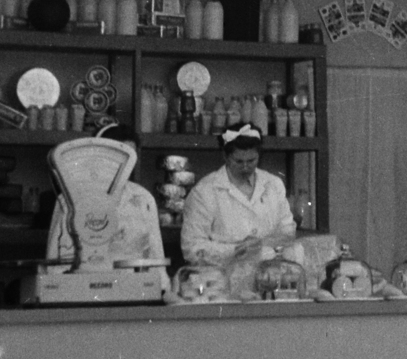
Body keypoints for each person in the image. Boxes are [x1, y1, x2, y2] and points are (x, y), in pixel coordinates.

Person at [44, 123, 167, 289]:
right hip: (82, 290)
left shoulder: (143, 198)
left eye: (130, 159)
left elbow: (156, 256)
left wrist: (163, 290)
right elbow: (56, 260)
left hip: (136, 290)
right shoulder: (69, 199)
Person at [182, 122, 296, 267]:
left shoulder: (274, 185)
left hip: (269, 274)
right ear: (225, 156)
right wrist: (235, 251)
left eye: (251, 160)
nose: (245, 167)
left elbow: (287, 232)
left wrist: (262, 244)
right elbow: (192, 248)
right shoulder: (204, 191)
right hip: (220, 278)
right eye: (238, 161)